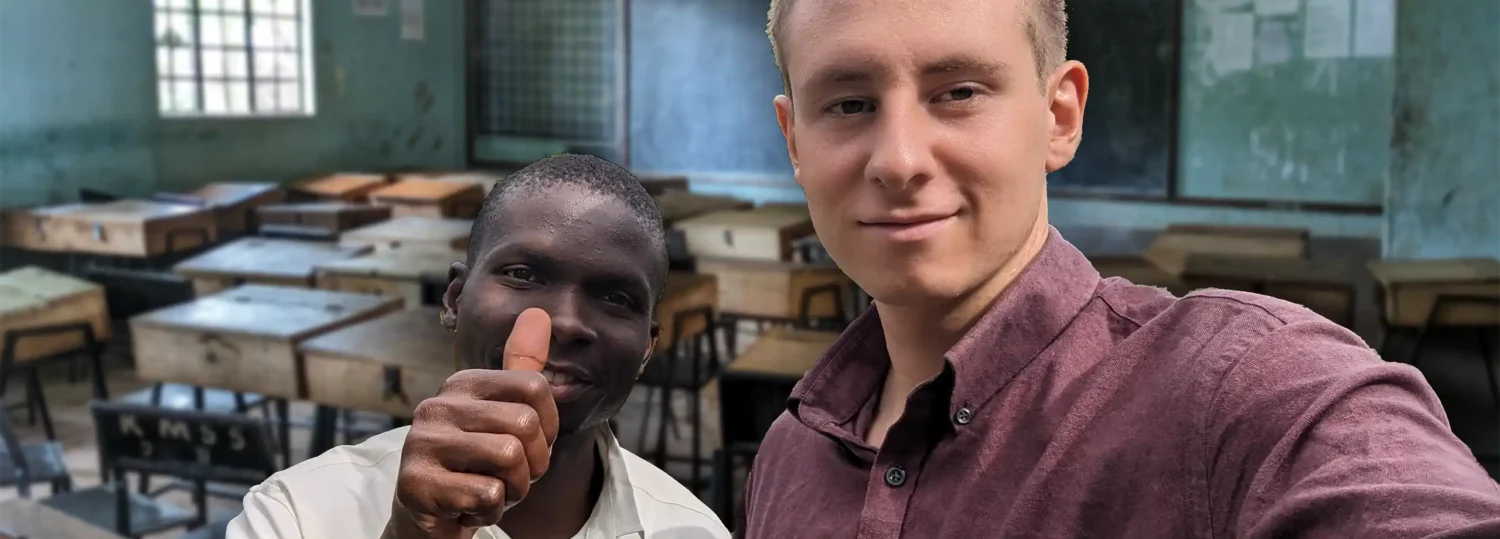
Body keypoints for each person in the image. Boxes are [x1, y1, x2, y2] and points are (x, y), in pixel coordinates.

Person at [737, 0, 1500, 537]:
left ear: (1059, 117)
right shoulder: (787, 457)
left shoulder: (1238, 390)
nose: (899, 159)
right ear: (794, 140)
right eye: (847, 105)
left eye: (959, 92)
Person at [228, 154, 731, 539]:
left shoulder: (693, 528)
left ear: (648, 346)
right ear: (454, 298)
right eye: (523, 274)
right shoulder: (298, 514)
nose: (565, 321)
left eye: (616, 297)